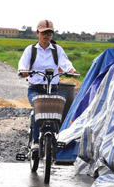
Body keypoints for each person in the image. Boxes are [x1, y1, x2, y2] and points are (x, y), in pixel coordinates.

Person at [18, 19, 79, 151]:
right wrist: (23, 71)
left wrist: (72, 71)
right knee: (37, 111)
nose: (47, 36)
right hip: (35, 89)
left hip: (53, 88)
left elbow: (65, 63)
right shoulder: (31, 50)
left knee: (55, 113)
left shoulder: (57, 50)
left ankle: (55, 138)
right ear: (37, 33)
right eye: (44, 33)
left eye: (49, 33)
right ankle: (35, 142)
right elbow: (23, 64)